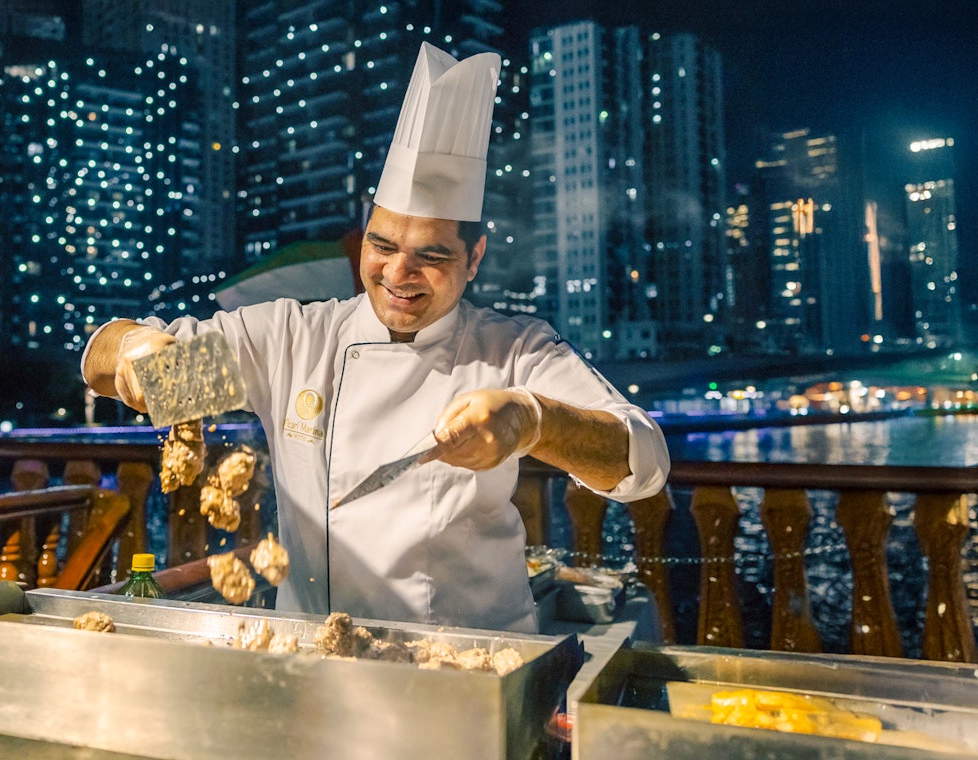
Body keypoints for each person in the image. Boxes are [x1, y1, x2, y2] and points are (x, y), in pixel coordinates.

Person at [80, 43, 669, 632]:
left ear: (474, 259)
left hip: (467, 659)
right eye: (382, 246)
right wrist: (135, 350)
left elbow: (642, 464)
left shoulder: (512, 349)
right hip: (316, 656)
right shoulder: (293, 339)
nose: (397, 273)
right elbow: (102, 365)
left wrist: (532, 420)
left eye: (431, 256)